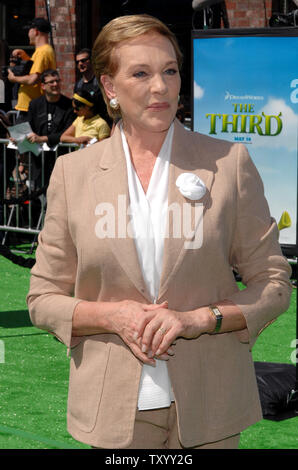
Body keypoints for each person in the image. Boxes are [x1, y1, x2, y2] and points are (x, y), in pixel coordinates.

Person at [27, 15, 292, 450]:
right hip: (113, 410)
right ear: (110, 88)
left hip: (212, 408)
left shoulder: (229, 163)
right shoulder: (72, 174)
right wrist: (113, 316)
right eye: (141, 73)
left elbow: (273, 283)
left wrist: (199, 320)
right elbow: (42, 298)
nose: (161, 87)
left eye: (170, 71)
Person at [7, 17, 56, 123]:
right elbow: (36, 72)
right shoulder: (42, 51)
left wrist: (14, 78)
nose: (28, 33)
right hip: (32, 108)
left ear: (36, 31)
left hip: (32, 109)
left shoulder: (43, 52)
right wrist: (26, 57)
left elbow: (33, 79)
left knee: (24, 139)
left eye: (29, 30)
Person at [74, 48, 110, 124]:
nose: (80, 64)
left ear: (92, 61)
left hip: (103, 123)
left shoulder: (101, 82)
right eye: (77, 62)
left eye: (83, 60)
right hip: (85, 125)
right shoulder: (78, 85)